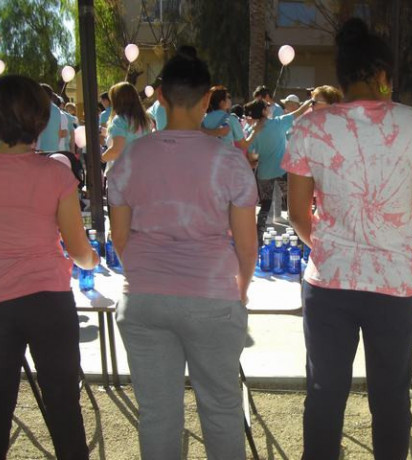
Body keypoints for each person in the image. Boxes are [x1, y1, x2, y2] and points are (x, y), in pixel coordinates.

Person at [283, 18, 412, 460]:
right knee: (391, 396)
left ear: (343, 76)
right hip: (394, 283)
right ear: (382, 76)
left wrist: (326, 244)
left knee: (324, 393)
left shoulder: (310, 127)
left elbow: (297, 213)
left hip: (329, 282)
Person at [108, 53, 258, 460]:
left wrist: (145, 274)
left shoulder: (129, 159)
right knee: (223, 410)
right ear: (208, 98)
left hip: (143, 299)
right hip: (212, 296)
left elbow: (119, 237)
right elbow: (247, 246)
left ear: (159, 96)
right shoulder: (230, 161)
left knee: (157, 414)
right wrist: (239, 294)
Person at [0, 74, 98, 460]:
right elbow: (78, 249)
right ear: (41, 121)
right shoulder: (56, 173)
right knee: (63, 406)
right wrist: (92, 259)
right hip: (48, 301)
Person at [245, 96, 312, 238]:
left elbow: (251, 156)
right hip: (282, 171)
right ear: (264, 111)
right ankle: (298, 238)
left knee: (265, 205)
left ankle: (259, 237)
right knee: (291, 206)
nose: (270, 108)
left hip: (263, 173)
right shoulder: (278, 123)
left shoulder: (253, 131)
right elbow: (299, 111)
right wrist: (311, 100)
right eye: (267, 106)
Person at [101, 82, 151, 171]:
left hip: (124, 173)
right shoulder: (144, 120)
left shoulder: (119, 120)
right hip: (143, 170)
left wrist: (101, 158)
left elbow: (116, 150)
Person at [36, 84, 63, 152]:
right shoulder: (57, 109)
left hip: (40, 149)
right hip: (54, 148)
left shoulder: (39, 108)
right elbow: (59, 131)